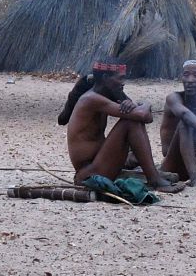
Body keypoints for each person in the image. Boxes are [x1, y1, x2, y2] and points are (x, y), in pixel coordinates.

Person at [62, 59, 184, 192]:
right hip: (89, 174)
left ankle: (152, 175)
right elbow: (142, 114)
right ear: (105, 78)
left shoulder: (110, 92)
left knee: (133, 122)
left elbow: (147, 118)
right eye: (120, 78)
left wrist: (136, 106)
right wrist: (146, 103)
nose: (123, 82)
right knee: (130, 122)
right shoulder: (91, 99)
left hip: (99, 164)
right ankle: (154, 179)